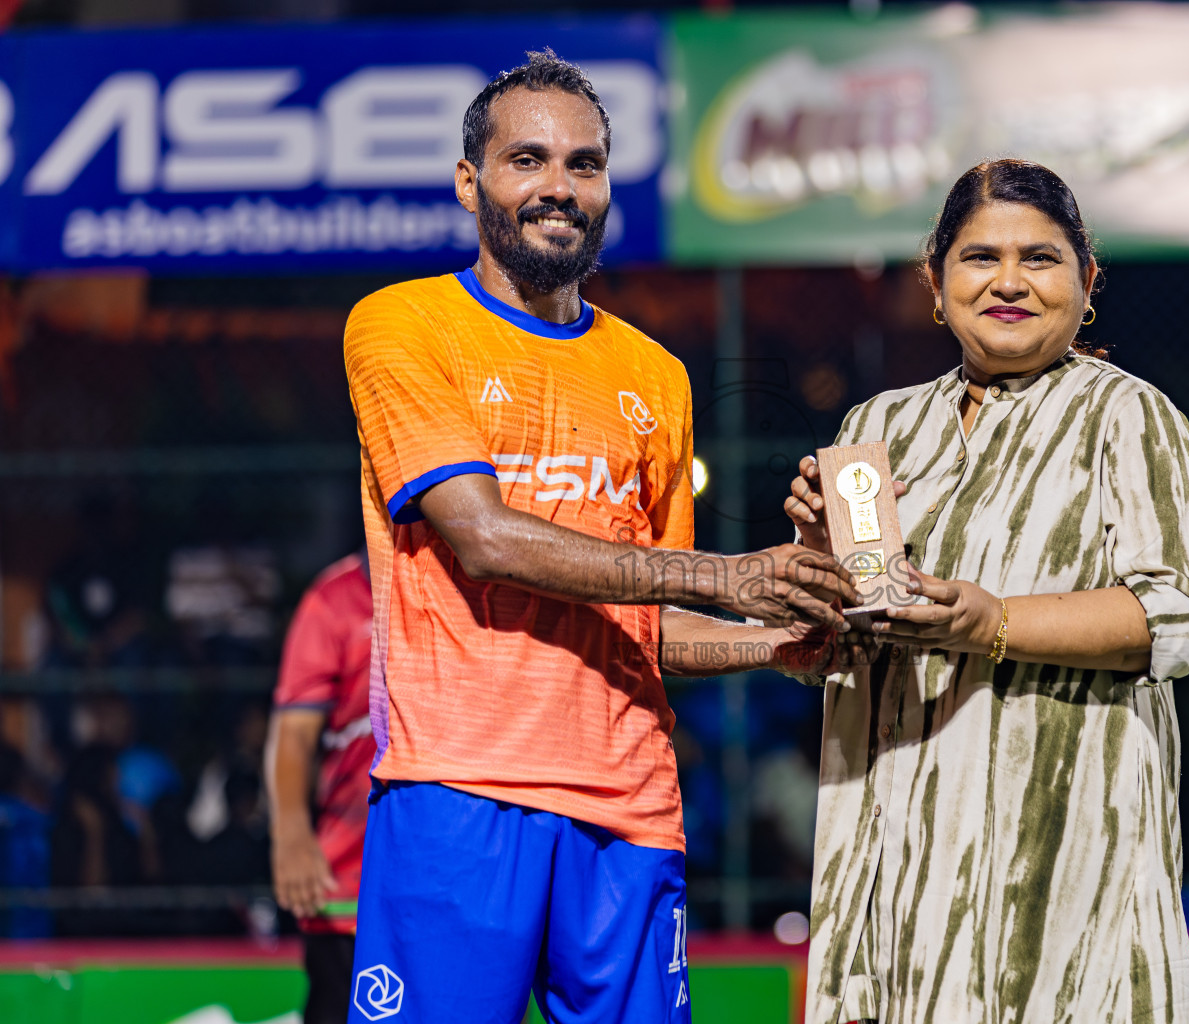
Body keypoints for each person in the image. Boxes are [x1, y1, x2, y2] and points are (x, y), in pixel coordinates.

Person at [342, 51, 858, 1024]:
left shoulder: (657, 374)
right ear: (469, 183)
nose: (559, 186)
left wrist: (775, 641)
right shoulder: (402, 325)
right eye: (527, 160)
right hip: (460, 792)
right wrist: (726, 577)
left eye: (585, 163)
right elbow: (484, 538)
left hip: (632, 808)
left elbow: (649, 620)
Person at [783, 159, 1189, 1024]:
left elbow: (1181, 613)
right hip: (897, 868)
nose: (1010, 282)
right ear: (935, 278)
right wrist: (817, 565)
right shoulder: (878, 427)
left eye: (1042, 258)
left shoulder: (1129, 416)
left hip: (1063, 863)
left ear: (1087, 280)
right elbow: (835, 647)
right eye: (981, 257)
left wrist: (994, 623)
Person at [264, 551, 374, 1024]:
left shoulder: (466, 585)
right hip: (347, 883)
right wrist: (291, 834)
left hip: (447, 872)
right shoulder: (333, 601)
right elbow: (293, 735)